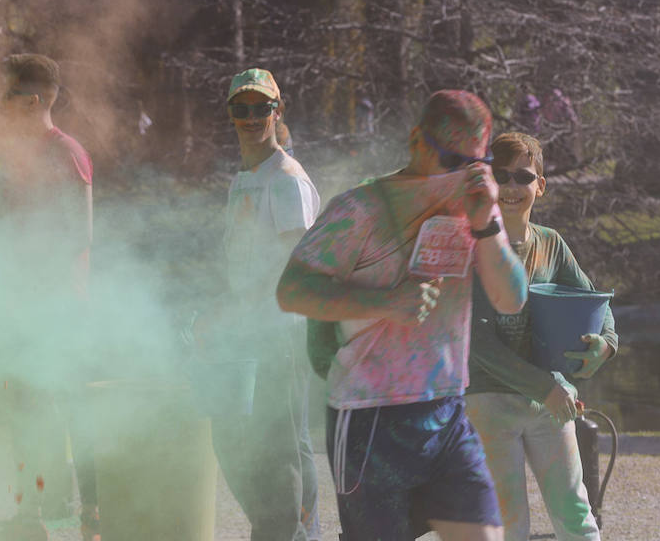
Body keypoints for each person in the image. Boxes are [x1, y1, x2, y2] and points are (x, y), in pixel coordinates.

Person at [277, 90, 529, 541]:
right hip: (367, 416)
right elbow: (292, 290)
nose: (464, 173)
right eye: (453, 159)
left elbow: (512, 299)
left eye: (478, 161)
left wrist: (487, 222)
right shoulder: (359, 208)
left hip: (446, 407)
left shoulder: (473, 203)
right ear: (417, 141)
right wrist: (385, 303)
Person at [464, 131, 618, 541]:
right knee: (506, 524)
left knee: (575, 512)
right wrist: (545, 386)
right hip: (487, 403)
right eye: (502, 175)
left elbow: (595, 305)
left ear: (541, 186)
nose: (512, 186)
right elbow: (476, 344)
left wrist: (606, 343)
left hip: (551, 402)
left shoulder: (551, 244)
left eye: (523, 177)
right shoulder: (470, 247)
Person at [0, 53, 97, 541]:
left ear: (32, 100)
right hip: (21, 310)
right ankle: (29, 515)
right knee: (23, 410)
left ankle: (90, 512)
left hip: (59, 310)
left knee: (73, 408)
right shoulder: (16, 157)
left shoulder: (65, 151)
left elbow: (81, 231)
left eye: (6, 96)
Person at [206, 67, 320, 540]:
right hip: (247, 331)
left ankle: (281, 533)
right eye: (241, 108)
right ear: (231, 114)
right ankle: (300, 533)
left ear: (278, 110)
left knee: (275, 452)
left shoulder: (286, 180)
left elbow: (298, 267)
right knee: (267, 443)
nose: (251, 117)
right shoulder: (245, 179)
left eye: (261, 108)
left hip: (279, 331)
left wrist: (232, 313)